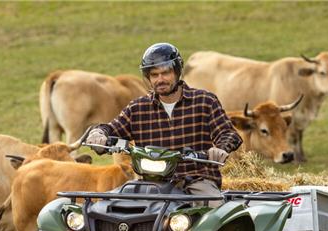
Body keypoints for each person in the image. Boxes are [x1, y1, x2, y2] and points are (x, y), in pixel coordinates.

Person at [86, 42, 242, 204]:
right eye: (154, 75)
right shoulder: (138, 108)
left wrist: (220, 149)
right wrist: (99, 134)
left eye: (165, 73)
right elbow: (111, 128)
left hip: (196, 182)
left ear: (177, 71)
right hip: (150, 184)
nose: (160, 79)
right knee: (109, 206)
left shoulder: (204, 101)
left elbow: (229, 133)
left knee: (215, 207)